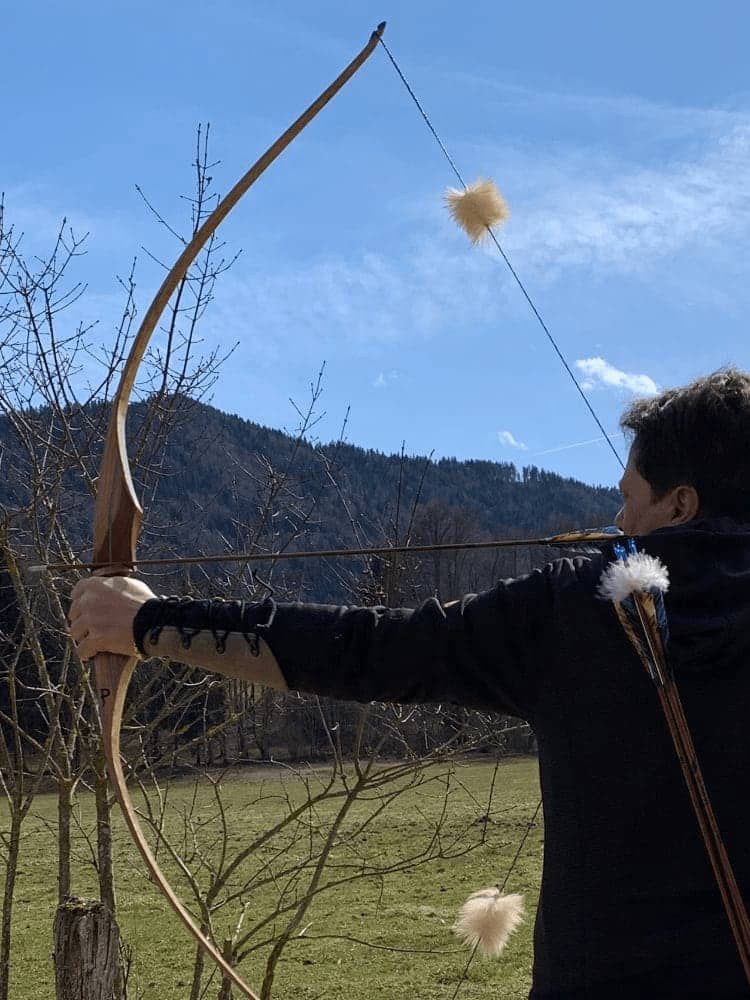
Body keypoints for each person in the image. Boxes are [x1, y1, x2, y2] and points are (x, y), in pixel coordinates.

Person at [69, 368, 750, 998]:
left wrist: (145, 623)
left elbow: (369, 648)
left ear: (681, 504)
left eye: (630, 499)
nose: (620, 522)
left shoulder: (579, 611)